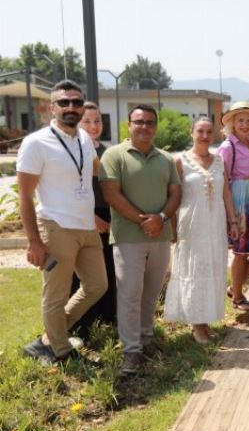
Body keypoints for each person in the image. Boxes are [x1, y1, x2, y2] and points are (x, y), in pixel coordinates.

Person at [17, 80, 108, 364]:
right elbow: (25, 197)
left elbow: (96, 173)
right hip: (56, 228)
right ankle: (61, 352)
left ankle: (48, 339)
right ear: (52, 108)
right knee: (55, 295)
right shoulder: (36, 142)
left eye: (76, 102)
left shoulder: (83, 139)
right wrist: (34, 241)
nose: (71, 107)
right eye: (64, 102)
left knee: (96, 286)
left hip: (86, 228)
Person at [100, 104, 181, 374]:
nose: (144, 126)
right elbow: (112, 194)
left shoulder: (166, 159)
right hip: (128, 238)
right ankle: (131, 350)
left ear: (155, 127)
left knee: (151, 293)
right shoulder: (114, 155)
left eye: (149, 122)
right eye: (138, 122)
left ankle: (146, 340)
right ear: (129, 125)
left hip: (161, 236)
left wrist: (162, 219)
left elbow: (175, 195)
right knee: (130, 294)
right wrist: (145, 221)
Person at [164, 117, 238, 344]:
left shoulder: (219, 162)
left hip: (214, 224)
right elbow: (174, 197)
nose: (205, 136)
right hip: (192, 224)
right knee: (194, 271)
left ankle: (206, 321)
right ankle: (196, 325)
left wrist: (232, 221)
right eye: (200, 131)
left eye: (209, 131)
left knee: (213, 269)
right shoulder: (180, 161)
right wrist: (172, 227)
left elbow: (226, 193)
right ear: (191, 132)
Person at [69, 101, 117, 339]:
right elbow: (71, 188)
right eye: (87, 121)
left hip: (108, 217)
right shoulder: (73, 149)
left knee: (108, 270)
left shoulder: (106, 150)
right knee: (83, 276)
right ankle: (80, 328)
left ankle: (107, 320)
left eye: (97, 120)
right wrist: (92, 217)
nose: (93, 125)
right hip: (84, 216)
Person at [217, 101, 249, 312]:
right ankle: (238, 297)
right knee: (241, 251)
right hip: (239, 200)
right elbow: (223, 181)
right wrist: (230, 216)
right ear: (232, 123)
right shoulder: (228, 147)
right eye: (240, 120)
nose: (245, 125)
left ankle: (234, 287)